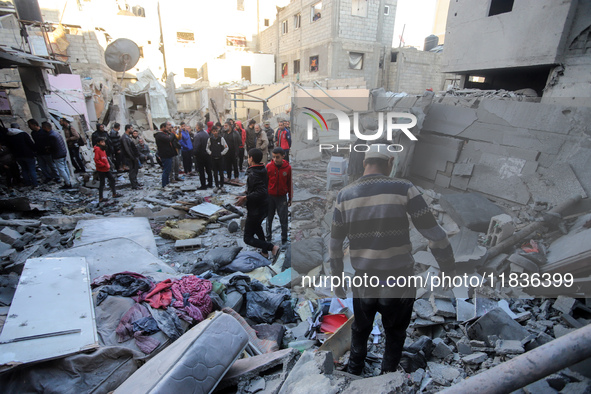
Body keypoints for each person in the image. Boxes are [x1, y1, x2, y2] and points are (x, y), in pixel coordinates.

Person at [329, 144, 455, 375]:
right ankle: (387, 376)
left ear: (365, 163)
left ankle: (354, 369)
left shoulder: (344, 195)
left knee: (361, 327)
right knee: (395, 331)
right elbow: (434, 235)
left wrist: (337, 281)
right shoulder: (404, 188)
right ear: (389, 162)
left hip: (365, 279)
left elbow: (335, 245)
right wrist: (448, 268)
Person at [235, 148, 280, 260]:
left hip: (256, 209)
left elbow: (261, 191)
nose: (248, 159)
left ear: (251, 158)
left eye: (248, 157)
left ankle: (272, 248)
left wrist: (246, 197)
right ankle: (264, 252)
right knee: (257, 226)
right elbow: (260, 187)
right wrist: (247, 193)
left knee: (247, 238)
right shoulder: (261, 169)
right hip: (264, 206)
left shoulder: (253, 174)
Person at [266, 147, 292, 244]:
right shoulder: (269, 167)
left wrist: (290, 197)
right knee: (269, 218)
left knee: (283, 219)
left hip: (281, 197)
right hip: (270, 197)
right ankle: (268, 238)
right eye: (273, 157)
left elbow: (289, 184)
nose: (275, 159)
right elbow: (265, 182)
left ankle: (284, 239)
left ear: (283, 156)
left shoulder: (288, 168)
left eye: (277, 157)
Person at [6, 123, 37, 187]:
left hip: (18, 156)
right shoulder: (23, 134)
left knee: (24, 169)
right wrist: (35, 150)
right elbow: (30, 143)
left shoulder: (9, 136)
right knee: (32, 169)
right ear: (18, 128)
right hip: (27, 154)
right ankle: (35, 183)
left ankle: (27, 183)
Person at [43, 121, 72, 189]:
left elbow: (54, 147)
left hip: (58, 155)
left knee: (61, 169)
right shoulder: (56, 133)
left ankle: (67, 183)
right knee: (65, 168)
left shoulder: (51, 136)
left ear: (45, 128)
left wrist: (48, 149)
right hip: (63, 153)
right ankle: (68, 181)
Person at [94, 137, 122, 202]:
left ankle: (114, 193)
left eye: (104, 142)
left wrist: (108, 165)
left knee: (112, 179)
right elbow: (97, 160)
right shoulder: (98, 150)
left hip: (106, 168)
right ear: (98, 143)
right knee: (102, 183)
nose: (103, 143)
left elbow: (105, 158)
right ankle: (101, 197)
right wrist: (103, 165)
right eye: (102, 142)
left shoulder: (103, 149)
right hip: (101, 169)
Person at [206, 126, 228, 193]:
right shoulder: (210, 139)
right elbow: (207, 148)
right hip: (213, 158)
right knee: (215, 173)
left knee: (221, 173)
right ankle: (216, 185)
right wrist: (210, 153)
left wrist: (221, 153)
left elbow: (226, 147)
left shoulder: (221, 139)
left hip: (220, 158)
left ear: (218, 131)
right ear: (212, 132)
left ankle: (222, 185)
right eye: (214, 131)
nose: (215, 132)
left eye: (216, 131)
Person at [155, 122, 177, 188]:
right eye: (167, 128)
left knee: (168, 169)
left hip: (168, 154)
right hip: (165, 154)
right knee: (166, 170)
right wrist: (173, 133)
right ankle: (164, 185)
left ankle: (167, 183)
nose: (168, 129)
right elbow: (169, 139)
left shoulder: (164, 134)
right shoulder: (160, 135)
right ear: (163, 127)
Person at [121, 124, 142, 189]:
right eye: (131, 129)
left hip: (133, 156)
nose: (132, 130)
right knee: (132, 171)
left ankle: (135, 182)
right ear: (128, 129)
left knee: (135, 170)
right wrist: (132, 157)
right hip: (130, 157)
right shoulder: (125, 138)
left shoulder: (128, 137)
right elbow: (127, 149)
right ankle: (134, 185)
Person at [193, 121, 212, 190]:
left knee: (201, 171)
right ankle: (210, 183)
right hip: (207, 154)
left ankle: (203, 185)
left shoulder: (197, 135)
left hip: (200, 155)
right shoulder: (206, 134)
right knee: (208, 170)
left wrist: (194, 154)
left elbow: (196, 146)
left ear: (198, 127)